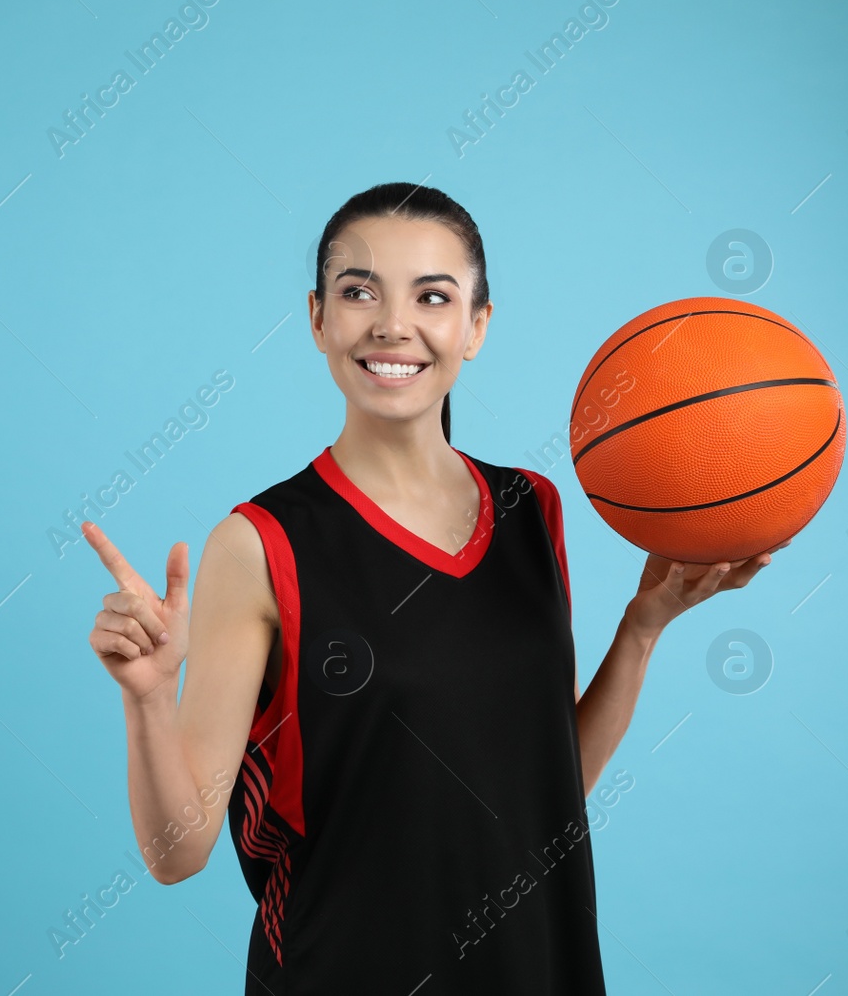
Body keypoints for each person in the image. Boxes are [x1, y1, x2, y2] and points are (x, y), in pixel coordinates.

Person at [82, 182, 787, 994]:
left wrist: (641, 627)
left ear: (476, 326)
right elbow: (179, 853)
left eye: (433, 296)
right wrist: (147, 696)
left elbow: (541, 789)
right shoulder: (261, 542)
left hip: (538, 968)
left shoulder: (532, 509)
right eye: (358, 292)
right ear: (317, 318)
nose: (393, 324)